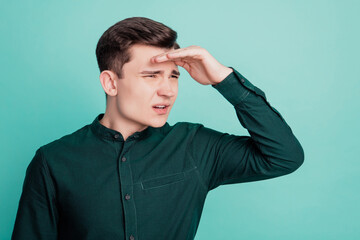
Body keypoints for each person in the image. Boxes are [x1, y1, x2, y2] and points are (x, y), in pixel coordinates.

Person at [11, 16, 304, 240]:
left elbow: (284, 156)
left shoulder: (195, 146)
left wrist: (223, 79)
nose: (168, 91)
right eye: (152, 75)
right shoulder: (52, 161)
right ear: (111, 82)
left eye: (174, 76)